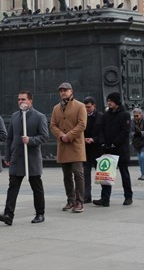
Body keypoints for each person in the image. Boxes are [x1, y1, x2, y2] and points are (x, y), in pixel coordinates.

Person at [0, 90, 49, 226]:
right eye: (19, 99)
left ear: (30, 101)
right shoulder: (14, 116)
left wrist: (30, 140)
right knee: (12, 186)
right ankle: (8, 214)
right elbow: (10, 138)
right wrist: (7, 155)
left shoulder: (39, 117)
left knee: (36, 186)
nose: (21, 102)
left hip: (31, 158)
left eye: (24, 99)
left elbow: (44, 136)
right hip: (16, 157)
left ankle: (40, 213)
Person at [51, 82, 87, 213]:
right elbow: (53, 125)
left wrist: (69, 135)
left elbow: (82, 124)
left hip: (75, 145)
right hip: (63, 145)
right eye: (61, 90)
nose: (63, 92)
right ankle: (70, 200)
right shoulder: (56, 108)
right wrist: (61, 136)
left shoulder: (80, 106)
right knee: (66, 175)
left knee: (78, 173)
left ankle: (80, 201)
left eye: (65, 90)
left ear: (71, 91)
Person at [93, 92, 133, 206]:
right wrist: (103, 143)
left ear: (116, 101)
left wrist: (115, 143)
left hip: (121, 150)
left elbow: (125, 132)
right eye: (108, 101)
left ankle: (128, 196)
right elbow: (102, 130)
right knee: (106, 174)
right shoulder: (106, 115)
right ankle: (105, 199)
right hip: (108, 150)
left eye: (111, 101)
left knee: (124, 173)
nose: (109, 103)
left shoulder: (125, 114)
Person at [82, 96, 103, 203]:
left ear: (94, 106)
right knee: (85, 173)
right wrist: (83, 139)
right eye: (85, 107)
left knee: (101, 173)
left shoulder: (101, 117)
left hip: (97, 149)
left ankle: (104, 196)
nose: (87, 109)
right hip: (85, 150)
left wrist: (94, 139)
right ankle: (86, 195)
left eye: (89, 107)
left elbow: (103, 133)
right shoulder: (82, 116)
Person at [130, 108, 144, 180]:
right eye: (134, 116)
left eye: (137, 116)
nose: (135, 117)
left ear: (141, 114)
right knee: (140, 159)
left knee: (143, 157)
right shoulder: (132, 121)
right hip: (137, 142)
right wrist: (134, 134)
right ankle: (142, 173)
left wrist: (141, 133)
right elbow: (131, 131)